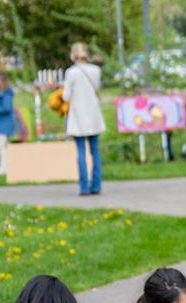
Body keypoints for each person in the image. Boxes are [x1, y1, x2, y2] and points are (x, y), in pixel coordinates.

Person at [62, 42, 105, 196]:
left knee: (81, 151)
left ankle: (84, 186)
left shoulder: (71, 73)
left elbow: (65, 96)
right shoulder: (95, 70)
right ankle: (96, 185)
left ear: (73, 55)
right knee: (95, 151)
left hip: (78, 115)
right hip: (93, 114)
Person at [0, 72, 13, 176]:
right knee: (2, 145)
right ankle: (3, 166)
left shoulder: (7, 93)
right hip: (1, 123)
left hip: (5, 124)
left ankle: (4, 167)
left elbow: (7, 108)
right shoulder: (0, 93)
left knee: (3, 145)